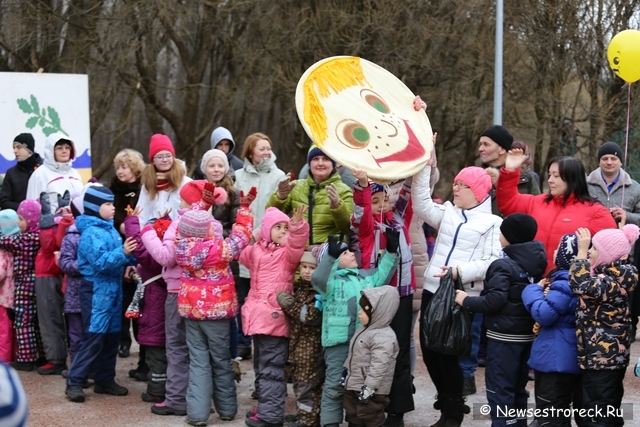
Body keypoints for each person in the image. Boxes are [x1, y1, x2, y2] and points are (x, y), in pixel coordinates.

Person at [411, 155, 502, 427]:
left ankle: (452, 413)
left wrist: (458, 271)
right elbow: (421, 204)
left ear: (477, 191)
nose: (456, 188)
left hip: (461, 296)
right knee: (429, 352)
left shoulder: (492, 223)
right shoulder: (448, 212)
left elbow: (492, 263)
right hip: (431, 290)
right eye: (456, 183)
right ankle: (450, 401)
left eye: (462, 185)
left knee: (448, 354)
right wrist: (424, 168)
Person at [455, 213, 547, 427]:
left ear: (508, 236)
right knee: (517, 388)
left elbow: (494, 301)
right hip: (526, 335)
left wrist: (466, 300)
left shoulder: (502, 265)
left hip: (504, 336)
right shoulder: (536, 260)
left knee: (499, 390)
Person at [140, 180, 221, 417]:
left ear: (189, 201)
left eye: (183, 197)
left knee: (176, 347)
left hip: (177, 292)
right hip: (206, 295)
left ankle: (176, 399)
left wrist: (147, 233)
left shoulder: (180, 224)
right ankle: (203, 398)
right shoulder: (213, 224)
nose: (179, 201)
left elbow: (167, 258)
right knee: (200, 349)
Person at [174, 188, 254, 426]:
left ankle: (197, 415)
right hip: (217, 314)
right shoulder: (219, 249)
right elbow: (241, 235)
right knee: (220, 360)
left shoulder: (182, 247)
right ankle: (227, 410)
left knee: (197, 361)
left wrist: (203, 204)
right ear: (206, 230)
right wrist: (245, 209)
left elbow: (191, 220)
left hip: (192, 313)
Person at [312, 231, 400, 427]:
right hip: (339, 343)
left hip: (362, 342)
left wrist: (391, 252)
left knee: (356, 384)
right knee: (335, 385)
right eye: (345, 253)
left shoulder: (365, 278)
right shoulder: (330, 282)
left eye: (350, 251)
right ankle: (330, 423)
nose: (352, 254)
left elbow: (382, 274)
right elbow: (318, 278)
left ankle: (356, 421)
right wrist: (331, 257)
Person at [350, 168, 416, 427]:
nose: (380, 205)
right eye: (374, 200)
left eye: (384, 199)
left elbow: (410, 195)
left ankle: (397, 412)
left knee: (396, 354)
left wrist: (421, 163)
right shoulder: (366, 229)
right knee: (367, 355)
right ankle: (363, 410)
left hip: (401, 295)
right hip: (374, 299)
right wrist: (364, 185)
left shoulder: (400, 219)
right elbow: (361, 210)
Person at [65, 186, 138, 403]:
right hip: (96, 291)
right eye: (107, 204)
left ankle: (104, 379)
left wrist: (130, 258)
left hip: (113, 290)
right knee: (94, 337)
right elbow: (100, 263)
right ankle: (75, 381)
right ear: (94, 208)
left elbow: (119, 257)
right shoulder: (90, 233)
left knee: (111, 337)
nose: (113, 208)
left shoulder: (110, 229)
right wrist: (123, 252)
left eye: (112, 203)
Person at [240, 206, 310, 427]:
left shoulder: (286, 255)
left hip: (274, 317)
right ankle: (265, 407)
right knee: (262, 366)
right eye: (277, 227)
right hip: (257, 318)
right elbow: (240, 251)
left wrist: (297, 225)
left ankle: (271, 416)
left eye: (285, 228)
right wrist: (257, 232)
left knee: (272, 368)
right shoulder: (256, 251)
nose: (282, 231)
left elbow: (298, 244)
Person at [497, 148, 617, 271]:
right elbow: (508, 203)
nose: (550, 180)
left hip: (570, 285)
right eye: (549, 175)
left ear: (573, 180)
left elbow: (612, 252)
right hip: (534, 283)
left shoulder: (597, 212)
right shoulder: (537, 202)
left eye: (556, 176)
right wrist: (510, 171)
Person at [570, 225, 638, 427]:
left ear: (608, 255)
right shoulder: (611, 276)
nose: (590, 251)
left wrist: (581, 253)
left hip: (603, 361)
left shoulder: (611, 281)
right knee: (596, 409)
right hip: (598, 359)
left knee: (598, 414)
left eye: (594, 248)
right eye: (589, 248)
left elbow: (579, 284)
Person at [234, 132, 286, 360]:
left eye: (268, 148)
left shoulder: (279, 176)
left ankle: (265, 339)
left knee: (264, 293)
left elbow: (281, 210)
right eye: (261, 148)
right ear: (250, 151)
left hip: (267, 246)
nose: (266, 152)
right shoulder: (237, 176)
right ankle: (244, 340)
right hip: (244, 242)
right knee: (243, 294)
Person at [522, 233, 582, 427]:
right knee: (556, 408)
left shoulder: (564, 283)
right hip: (562, 353)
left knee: (551, 410)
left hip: (555, 357)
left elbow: (545, 314)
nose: (554, 251)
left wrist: (532, 291)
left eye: (559, 248)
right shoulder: (569, 281)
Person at [587, 141, 640, 340]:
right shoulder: (586, 184)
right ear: (599, 161)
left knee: (625, 290)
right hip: (594, 250)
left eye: (613, 158)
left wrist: (627, 216)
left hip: (625, 252)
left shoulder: (635, 187)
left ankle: (629, 324)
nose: (609, 162)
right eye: (605, 158)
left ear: (620, 161)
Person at [267, 145, 354, 248]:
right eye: (315, 159)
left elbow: (348, 228)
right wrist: (280, 197)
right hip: (296, 254)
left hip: (327, 255)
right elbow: (270, 218)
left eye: (325, 159)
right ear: (309, 164)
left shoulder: (344, 190)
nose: (320, 163)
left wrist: (337, 207)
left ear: (333, 164)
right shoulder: (296, 186)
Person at [124, 210, 170, 404]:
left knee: (157, 360)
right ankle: (170, 389)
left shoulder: (153, 257)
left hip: (154, 320)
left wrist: (131, 219)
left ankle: (156, 391)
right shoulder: (170, 255)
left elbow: (139, 246)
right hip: (168, 320)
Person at [275, 251, 323, 427]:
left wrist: (289, 304)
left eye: (312, 268)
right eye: (304, 267)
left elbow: (310, 316)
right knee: (299, 383)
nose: (307, 271)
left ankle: (308, 420)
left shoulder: (317, 293)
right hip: (299, 348)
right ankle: (304, 414)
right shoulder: (303, 290)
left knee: (307, 386)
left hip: (311, 350)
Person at [342, 286, 400, 427]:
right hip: (355, 383)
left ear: (378, 313)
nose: (360, 313)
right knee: (353, 413)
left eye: (365, 310)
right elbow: (354, 354)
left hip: (371, 389)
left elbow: (379, 365)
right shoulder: (364, 330)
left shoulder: (383, 336)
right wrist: (346, 371)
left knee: (370, 415)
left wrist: (370, 387)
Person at [110, 149, 146, 360]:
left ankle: (143, 344)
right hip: (119, 247)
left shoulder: (143, 190)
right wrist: (121, 225)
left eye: (124, 167)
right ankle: (123, 341)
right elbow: (110, 217)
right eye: (118, 167)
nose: (120, 171)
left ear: (134, 168)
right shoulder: (112, 191)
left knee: (140, 298)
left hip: (140, 248)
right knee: (123, 300)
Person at [2, 200, 43, 371]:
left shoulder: (24, 239)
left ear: (31, 220)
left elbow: (4, 241)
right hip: (37, 284)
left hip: (24, 286)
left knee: (23, 322)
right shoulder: (38, 235)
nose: (18, 223)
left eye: (21, 218)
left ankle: (26, 358)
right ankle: (42, 354)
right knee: (36, 321)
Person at [478, 125, 540, 217]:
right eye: (480, 144)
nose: (480, 149)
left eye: (486, 144)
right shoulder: (473, 176)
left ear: (502, 149)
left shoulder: (526, 178)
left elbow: (537, 211)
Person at [137, 134, 191, 226]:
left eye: (168, 156)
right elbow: (141, 215)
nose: (165, 160)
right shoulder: (148, 184)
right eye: (160, 157)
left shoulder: (186, 183)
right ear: (153, 160)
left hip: (179, 235)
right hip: (152, 236)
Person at [26, 133, 84, 213]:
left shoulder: (75, 173)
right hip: (53, 224)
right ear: (51, 151)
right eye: (59, 148)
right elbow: (31, 208)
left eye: (67, 147)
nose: (64, 151)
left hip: (78, 223)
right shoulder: (39, 174)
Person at [0, 133, 43, 211]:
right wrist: (25, 208)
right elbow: (4, 202)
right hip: (19, 220)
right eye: (14, 148)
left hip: (44, 219)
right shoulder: (11, 173)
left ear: (29, 149)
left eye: (18, 147)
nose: (15, 151)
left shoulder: (44, 170)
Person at [0, 210, 19, 362]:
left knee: (4, 331)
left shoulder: (3, 250)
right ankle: (15, 356)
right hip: (16, 295)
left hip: (3, 297)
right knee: (14, 329)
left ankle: (4, 360)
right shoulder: (19, 245)